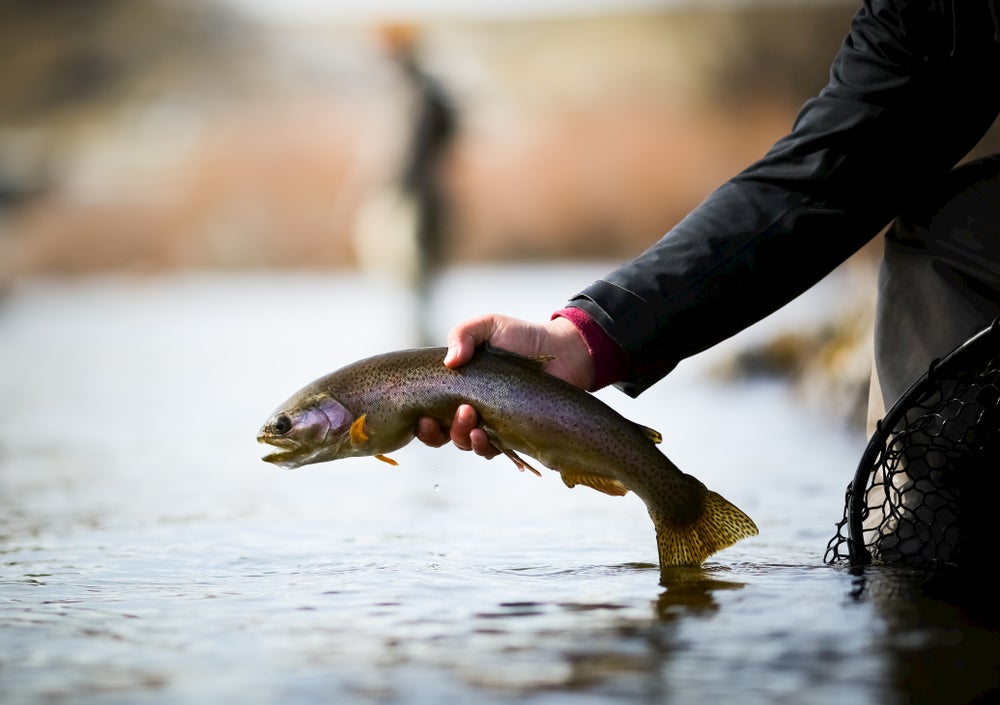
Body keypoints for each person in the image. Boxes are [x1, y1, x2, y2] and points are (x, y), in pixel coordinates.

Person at [416, 0, 1000, 458]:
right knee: (941, 234)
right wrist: (585, 340)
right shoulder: (926, 13)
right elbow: (822, 179)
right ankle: (915, 596)